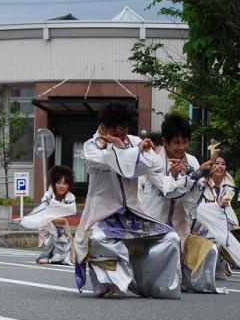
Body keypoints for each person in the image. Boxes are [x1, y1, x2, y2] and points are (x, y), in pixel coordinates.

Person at [74, 101, 182, 299]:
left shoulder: (134, 142)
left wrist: (140, 150)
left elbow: (153, 165)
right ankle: (111, 282)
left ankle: (152, 285)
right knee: (98, 240)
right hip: (103, 215)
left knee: (171, 238)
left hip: (134, 213)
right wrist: (130, 151)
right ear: (104, 128)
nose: (122, 138)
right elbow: (117, 164)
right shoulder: (91, 147)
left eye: (125, 133)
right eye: (117, 134)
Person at [139, 114, 215, 292]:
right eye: (177, 143)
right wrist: (192, 176)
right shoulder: (154, 161)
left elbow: (196, 195)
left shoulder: (192, 161)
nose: (182, 147)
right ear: (165, 141)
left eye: (186, 142)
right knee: (161, 281)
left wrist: (192, 174)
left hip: (182, 226)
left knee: (208, 253)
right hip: (155, 224)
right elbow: (169, 191)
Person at [192, 153, 240, 281]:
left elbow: (226, 207)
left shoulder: (228, 186)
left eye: (223, 164)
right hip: (197, 224)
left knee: (219, 235)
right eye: (217, 163)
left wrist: (219, 207)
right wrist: (216, 206)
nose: (220, 166)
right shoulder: (202, 183)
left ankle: (219, 264)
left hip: (218, 223)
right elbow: (197, 207)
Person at [20, 165, 76, 266]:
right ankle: (46, 256)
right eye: (59, 183)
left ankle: (57, 256)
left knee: (64, 242)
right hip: (46, 224)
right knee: (53, 235)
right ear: (54, 183)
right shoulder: (48, 195)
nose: (61, 186)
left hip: (62, 225)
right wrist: (53, 217)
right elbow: (44, 211)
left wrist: (58, 218)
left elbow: (72, 210)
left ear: (69, 185)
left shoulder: (70, 197)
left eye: (65, 183)